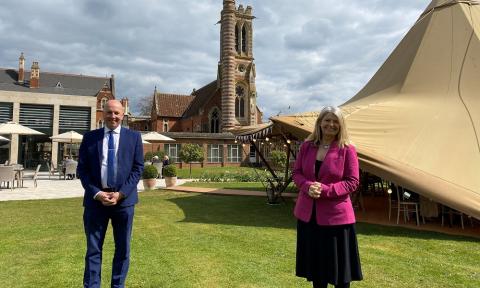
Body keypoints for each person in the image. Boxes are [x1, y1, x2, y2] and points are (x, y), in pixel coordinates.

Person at [293, 106, 362, 288]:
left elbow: (352, 181)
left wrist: (325, 190)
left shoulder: (347, 149)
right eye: (327, 120)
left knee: (340, 275)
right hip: (309, 218)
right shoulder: (307, 147)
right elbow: (297, 173)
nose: (331, 124)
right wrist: (307, 186)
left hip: (337, 220)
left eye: (335, 121)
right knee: (317, 271)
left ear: (341, 125)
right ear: (320, 123)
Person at [77, 100, 144, 288]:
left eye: (116, 113)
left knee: (123, 249)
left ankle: (118, 285)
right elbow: (82, 170)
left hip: (124, 203)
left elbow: (138, 169)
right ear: (103, 113)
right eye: (109, 112)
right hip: (96, 203)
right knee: (93, 250)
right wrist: (97, 193)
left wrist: (121, 193)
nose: (112, 116)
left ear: (123, 115)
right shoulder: (90, 138)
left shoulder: (134, 137)